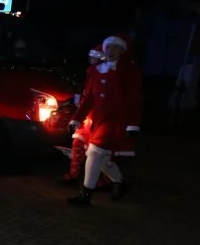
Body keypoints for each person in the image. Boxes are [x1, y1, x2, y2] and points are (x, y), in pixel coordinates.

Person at [68, 33, 142, 205]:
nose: (110, 50)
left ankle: (85, 194)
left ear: (122, 50)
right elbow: (89, 99)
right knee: (101, 159)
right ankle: (120, 182)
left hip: (115, 123)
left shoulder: (129, 72)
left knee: (94, 153)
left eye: (115, 47)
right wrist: (77, 119)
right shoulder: (97, 70)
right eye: (108, 47)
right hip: (97, 122)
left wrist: (132, 124)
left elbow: (134, 99)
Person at [60, 44, 107, 185]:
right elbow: (87, 94)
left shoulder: (106, 73)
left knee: (100, 149)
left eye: (94, 57)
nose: (91, 60)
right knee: (78, 143)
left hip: (99, 117)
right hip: (87, 115)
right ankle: (74, 175)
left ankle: (105, 180)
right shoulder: (91, 71)